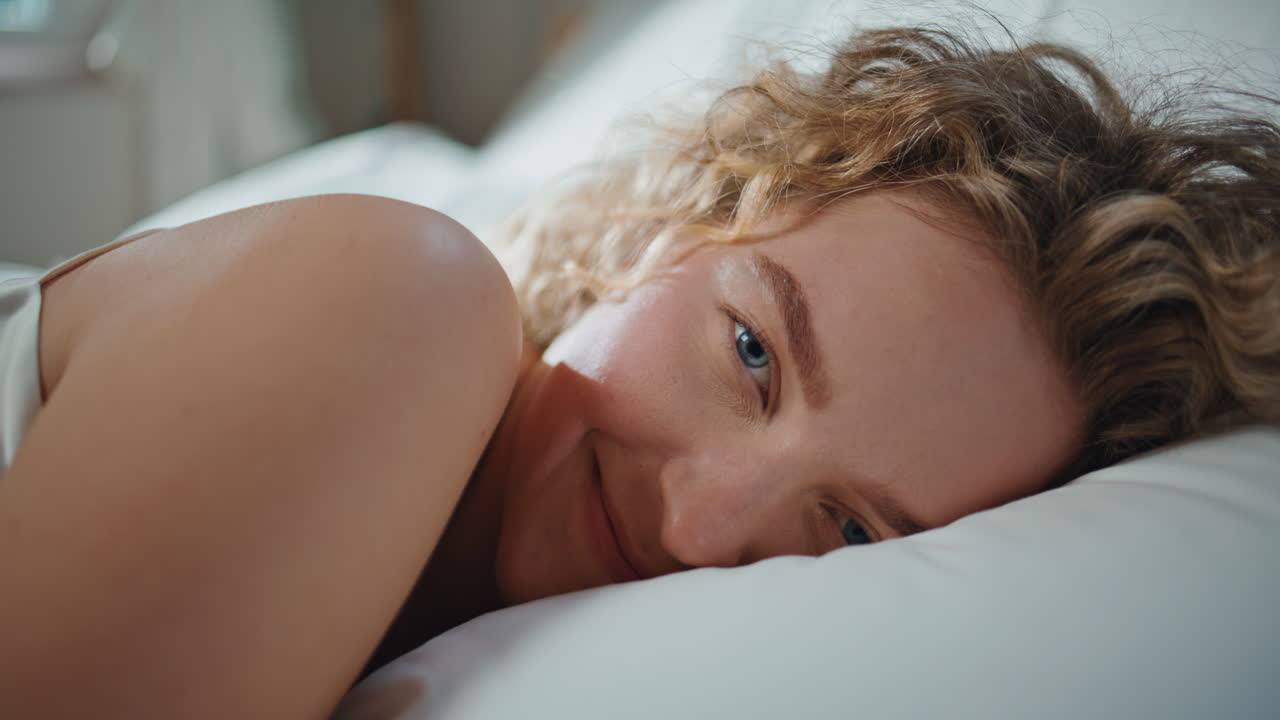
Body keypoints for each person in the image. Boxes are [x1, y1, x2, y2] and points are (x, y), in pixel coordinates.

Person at [1, 24, 1277, 719]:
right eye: (749, 353)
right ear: (671, 233)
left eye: (845, 529)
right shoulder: (398, 297)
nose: (701, 521)